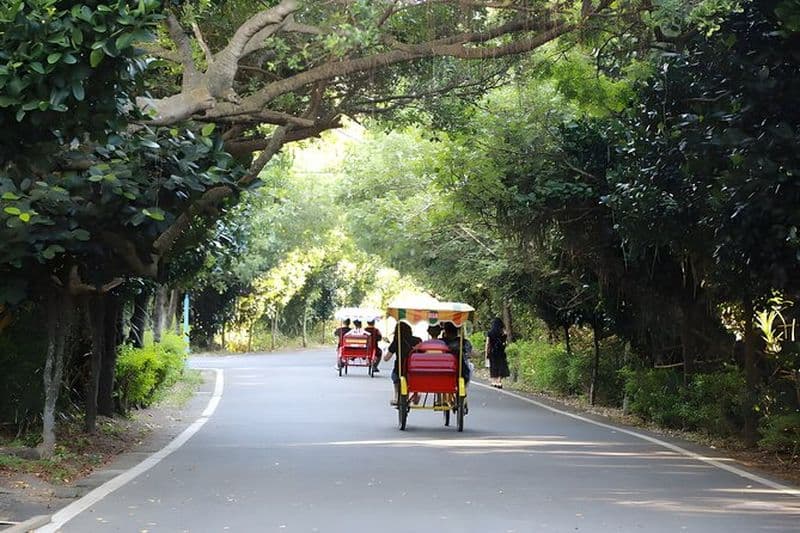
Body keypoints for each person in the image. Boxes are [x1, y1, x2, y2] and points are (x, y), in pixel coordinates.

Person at [383, 322, 421, 405]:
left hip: (400, 369)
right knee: (415, 378)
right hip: (415, 370)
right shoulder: (418, 340)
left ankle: (396, 396)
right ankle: (415, 394)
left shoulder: (397, 341)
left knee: (395, 376)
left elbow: (386, 358)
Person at [485, 317, 510, 388]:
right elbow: (505, 343)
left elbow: (488, 343)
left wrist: (486, 352)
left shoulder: (490, 333)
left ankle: (494, 381)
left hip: (492, 352)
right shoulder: (503, 333)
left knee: (493, 366)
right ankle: (499, 381)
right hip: (501, 351)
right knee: (500, 366)